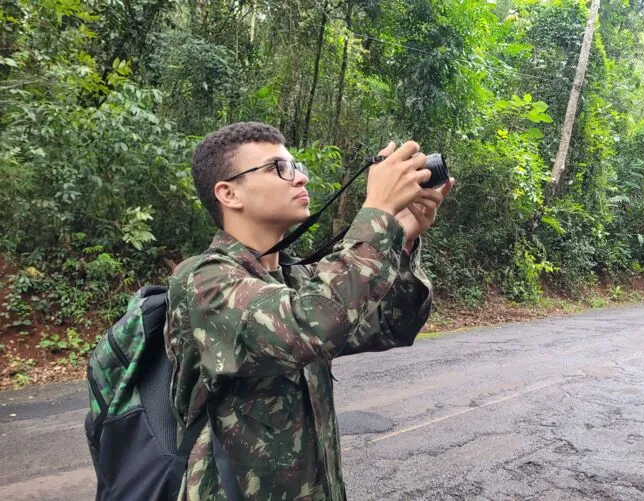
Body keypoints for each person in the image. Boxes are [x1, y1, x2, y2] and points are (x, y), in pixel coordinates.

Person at [164, 122, 454, 500]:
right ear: (229, 193)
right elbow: (310, 323)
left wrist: (402, 235)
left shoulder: (294, 278)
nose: (299, 178)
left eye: (296, 166)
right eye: (278, 168)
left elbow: (388, 325)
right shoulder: (202, 281)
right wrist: (378, 212)